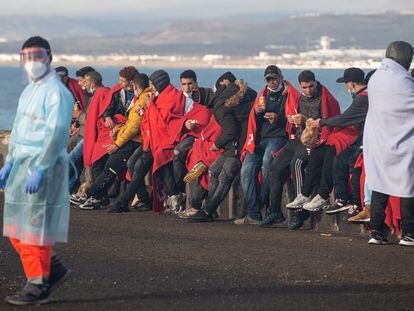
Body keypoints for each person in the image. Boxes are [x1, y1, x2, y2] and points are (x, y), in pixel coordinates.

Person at [0, 36, 73, 305]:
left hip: (45, 166)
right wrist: (9, 162)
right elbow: (19, 129)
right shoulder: (29, 91)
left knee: (34, 228)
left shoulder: (56, 93)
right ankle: (53, 269)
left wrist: (41, 167)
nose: (32, 62)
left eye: (37, 56)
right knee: (16, 228)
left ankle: (38, 283)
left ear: (49, 57)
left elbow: (56, 133)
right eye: (27, 57)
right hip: (21, 166)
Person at [259, 70, 340, 229]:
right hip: (298, 137)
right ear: (300, 86)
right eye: (305, 87)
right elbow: (294, 119)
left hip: (315, 140)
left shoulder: (325, 98)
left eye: (311, 86)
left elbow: (330, 120)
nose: (308, 90)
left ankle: (300, 211)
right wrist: (293, 120)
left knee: (297, 163)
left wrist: (306, 121)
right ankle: (275, 211)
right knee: (274, 168)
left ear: (316, 82)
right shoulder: (299, 98)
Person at [288, 67, 368, 214]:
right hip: (353, 133)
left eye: (346, 84)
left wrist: (321, 122)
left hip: (360, 137)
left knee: (333, 155)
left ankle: (327, 196)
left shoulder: (363, 97)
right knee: (319, 152)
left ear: (350, 84)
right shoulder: (361, 96)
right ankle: (306, 194)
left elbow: (344, 118)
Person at [364, 41, 414, 246]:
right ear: (403, 57)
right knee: (407, 187)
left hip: (378, 141)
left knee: (379, 185)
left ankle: (377, 231)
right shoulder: (402, 81)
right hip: (402, 143)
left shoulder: (376, 78)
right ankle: (409, 233)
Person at [188, 76, 257, 223]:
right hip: (232, 146)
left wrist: (217, 144)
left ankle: (207, 210)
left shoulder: (220, 109)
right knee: (214, 169)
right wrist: (231, 85)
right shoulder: (231, 98)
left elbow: (231, 131)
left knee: (224, 177)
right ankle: (210, 211)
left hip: (236, 148)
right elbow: (253, 93)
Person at [237, 65, 300, 224]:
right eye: (268, 79)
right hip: (260, 139)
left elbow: (293, 121)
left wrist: (278, 118)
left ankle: (260, 205)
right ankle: (254, 213)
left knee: (267, 164)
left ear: (280, 77)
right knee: (246, 170)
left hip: (278, 137)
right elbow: (253, 123)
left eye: (274, 78)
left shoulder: (290, 95)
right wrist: (257, 113)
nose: (272, 82)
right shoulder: (262, 96)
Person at [155, 70, 212, 213]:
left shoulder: (204, 96)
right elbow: (170, 117)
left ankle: (177, 194)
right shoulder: (176, 97)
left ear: (196, 83)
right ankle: (175, 193)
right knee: (160, 155)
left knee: (177, 153)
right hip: (180, 134)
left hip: (196, 136)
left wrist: (190, 124)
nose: (187, 87)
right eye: (184, 84)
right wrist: (184, 123)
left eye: (190, 83)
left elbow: (208, 115)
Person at [68, 71, 104, 195]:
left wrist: (79, 115)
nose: (81, 84)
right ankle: (69, 191)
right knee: (78, 165)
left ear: (92, 82)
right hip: (84, 133)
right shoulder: (91, 95)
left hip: (89, 135)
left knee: (70, 161)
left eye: (84, 81)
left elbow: (92, 118)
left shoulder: (99, 94)